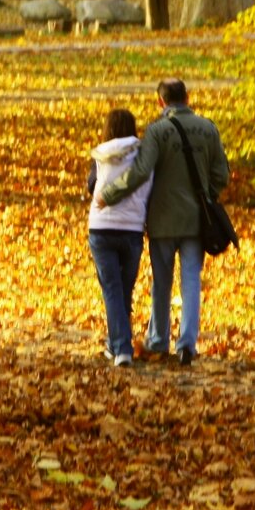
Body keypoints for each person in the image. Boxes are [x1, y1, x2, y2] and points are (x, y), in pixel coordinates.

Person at [95, 79, 229, 367]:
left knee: (162, 281)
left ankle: (158, 339)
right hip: (196, 220)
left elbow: (141, 172)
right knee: (191, 279)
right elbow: (222, 174)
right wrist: (207, 194)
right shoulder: (208, 128)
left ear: (161, 102)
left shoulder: (157, 131)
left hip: (162, 218)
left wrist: (109, 193)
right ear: (188, 97)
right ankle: (187, 344)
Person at [87, 108, 153, 368]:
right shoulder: (145, 154)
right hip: (132, 228)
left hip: (102, 228)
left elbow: (91, 186)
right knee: (124, 289)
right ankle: (116, 344)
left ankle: (121, 347)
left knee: (112, 288)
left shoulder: (101, 154)